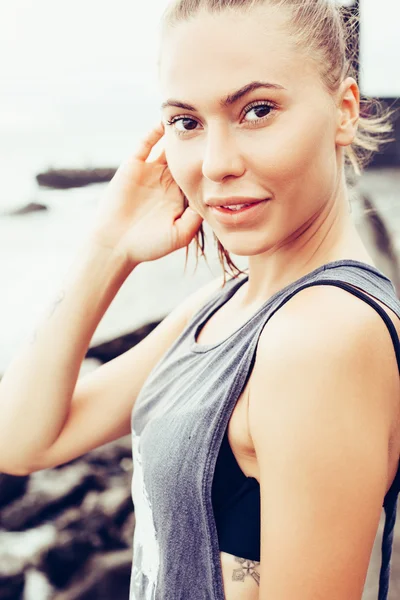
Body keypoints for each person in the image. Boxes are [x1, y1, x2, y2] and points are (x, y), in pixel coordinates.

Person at [0, 0, 399, 599]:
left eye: (257, 111)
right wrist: (108, 246)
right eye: (187, 122)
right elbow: (25, 439)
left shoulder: (321, 339)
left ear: (344, 110)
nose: (216, 163)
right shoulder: (228, 302)